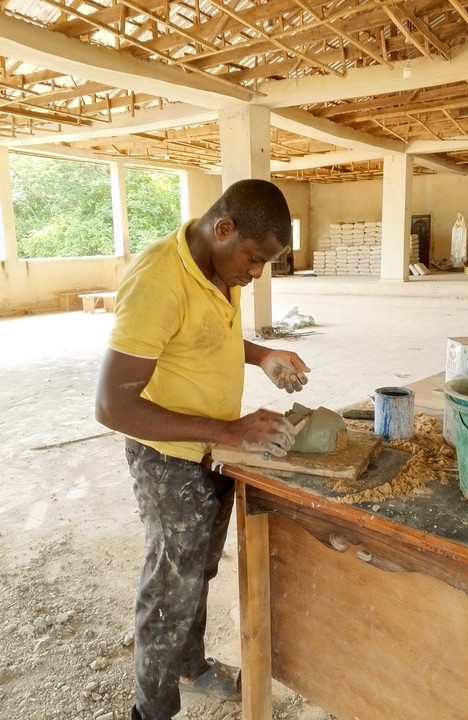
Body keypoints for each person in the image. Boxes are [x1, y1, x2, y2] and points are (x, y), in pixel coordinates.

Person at [95, 179, 311, 720]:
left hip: (212, 448)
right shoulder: (157, 280)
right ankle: (151, 710)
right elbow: (111, 406)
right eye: (255, 259)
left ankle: (189, 665)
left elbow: (206, 335)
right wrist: (233, 432)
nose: (255, 274)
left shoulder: (218, 266)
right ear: (223, 228)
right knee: (169, 589)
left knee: (199, 571)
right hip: (167, 460)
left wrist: (261, 355)